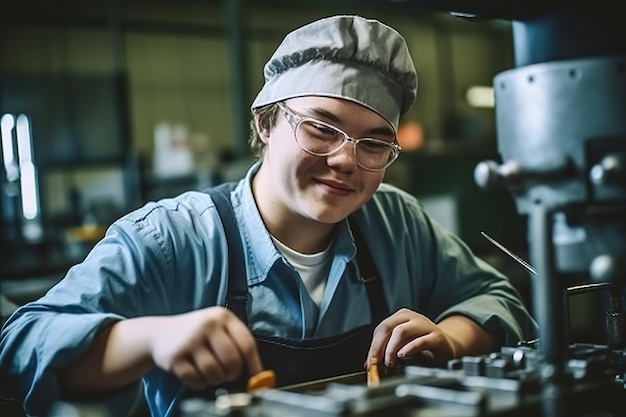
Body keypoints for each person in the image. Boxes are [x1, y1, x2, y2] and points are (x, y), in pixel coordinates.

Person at [0, 14, 536, 417]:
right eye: (322, 128)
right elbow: (21, 343)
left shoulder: (396, 223)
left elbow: (498, 298)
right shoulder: (171, 239)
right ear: (265, 124)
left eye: (374, 143)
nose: (347, 159)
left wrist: (450, 339)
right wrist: (149, 339)